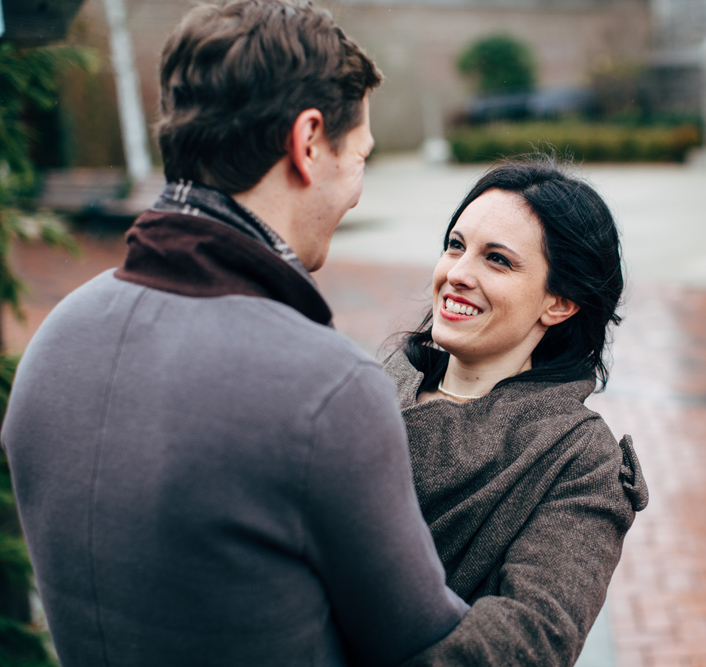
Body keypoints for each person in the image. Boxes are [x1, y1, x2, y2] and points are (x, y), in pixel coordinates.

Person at [0, 2, 467, 665]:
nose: (358, 190)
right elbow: (427, 643)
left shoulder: (55, 341)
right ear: (308, 142)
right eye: (358, 156)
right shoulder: (325, 387)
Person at [383, 157, 648, 666]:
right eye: (456, 246)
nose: (457, 274)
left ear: (560, 302)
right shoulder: (377, 383)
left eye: (497, 260)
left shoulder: (579, 458)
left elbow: (530, 641)